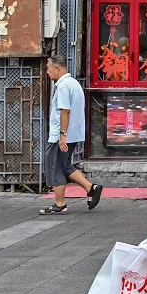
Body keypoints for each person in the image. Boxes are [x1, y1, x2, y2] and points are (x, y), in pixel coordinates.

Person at [39, 56, 103, 215]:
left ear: (57, 68)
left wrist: (62, 135)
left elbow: (64, 111)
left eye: (48, 68)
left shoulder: (63, 86)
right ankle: (91, 188)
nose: (47, 72)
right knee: (66, 165)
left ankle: (60, 204)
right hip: (74, 133)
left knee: (55, 168)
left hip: (62, 135)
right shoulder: (74, 83)